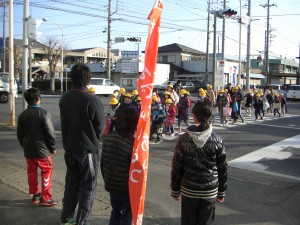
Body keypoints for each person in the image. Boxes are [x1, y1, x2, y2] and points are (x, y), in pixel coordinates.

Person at [59, 63, 105, 225]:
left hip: (69, 148)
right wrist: (96, 136)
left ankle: (66, 217)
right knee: (88, 187)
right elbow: (100, 126)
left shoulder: (65, 98)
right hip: (87, 150)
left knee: (71, 184)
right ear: (88, 79)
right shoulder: (92, 99)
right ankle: (82, 221)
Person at [171, 101, 227, 225]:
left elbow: (177, 167)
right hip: (210, 190)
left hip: (189, 190)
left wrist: (175, 190)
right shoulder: (217, 139)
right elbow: (222, 168)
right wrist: (221, 192)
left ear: (194, 116)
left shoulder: (184, 138)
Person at [17, 87, 58, 207]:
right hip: (42, 150)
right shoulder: (43, 113)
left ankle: (35, 195)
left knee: (32, 172)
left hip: (28, 149)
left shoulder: (22, 115)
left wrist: (24, 145)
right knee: (47, 170)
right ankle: (45, 198)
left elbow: (20, 134)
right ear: (38, 99)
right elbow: (50, 132)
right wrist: (52, 147)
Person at [101, 108, 139, 225]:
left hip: (111, 184)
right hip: (126, 187)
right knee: (127, 215)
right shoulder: (133, 143)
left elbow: (103, 163)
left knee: (115, 213)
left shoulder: (108, 138)